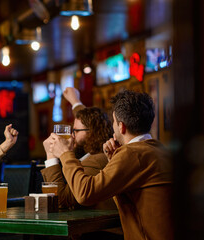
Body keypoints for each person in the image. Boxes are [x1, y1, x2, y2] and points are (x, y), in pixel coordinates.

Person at [46, 90, 173, 239]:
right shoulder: (161, 150)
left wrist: (65, 154)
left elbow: (85, 193)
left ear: (121, 126)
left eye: (113, 121)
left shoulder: (132, 154)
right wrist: (114, 160)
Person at [41, 87, 115, 210]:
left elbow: (61, 201)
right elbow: (87, 120)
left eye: (75, 131)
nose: (72, 135)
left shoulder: (96, 161)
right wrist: (76, 102)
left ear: (92, 132)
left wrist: (51, 156)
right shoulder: (92, 152)